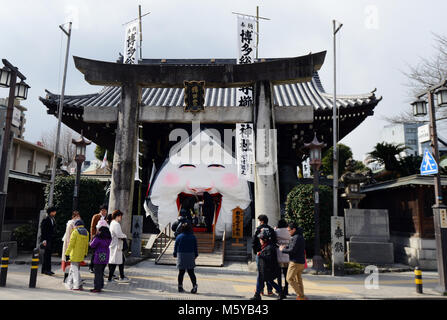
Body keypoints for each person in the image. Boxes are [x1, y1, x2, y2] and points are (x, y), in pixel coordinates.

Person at [251, 228, 285, 300]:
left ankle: (257, 295)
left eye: (260, 239)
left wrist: (260, 255)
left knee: (265, 280)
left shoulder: (269, 248)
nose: (260, 241)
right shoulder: (267, 246)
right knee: (268, 281)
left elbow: (269, 259)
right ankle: (281, 293)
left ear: (264, 240)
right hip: (266, 269)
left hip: (268, 269)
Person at [279, 222, 308, 300]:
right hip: (301, 262)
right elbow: (294, 247)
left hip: (295, 262)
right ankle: (302, 296)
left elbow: (292, 250)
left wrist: (283, 250)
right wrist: (286, 246)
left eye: (289, 230)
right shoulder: (299, 236)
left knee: (289, 278)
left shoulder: (296, 237)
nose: (288, 232)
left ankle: (301, 295)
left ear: (294, 229)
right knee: (298, 280)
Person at [252, 214, 277, 295]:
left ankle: (260, 290)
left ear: (261, 221)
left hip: (260, 253)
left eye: (259, 221)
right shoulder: (271, 229)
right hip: (269, 253)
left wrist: (255, 251)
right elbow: (274, 241)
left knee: (260, 272)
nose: (259, 222)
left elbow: (254, 241)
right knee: (268, 271)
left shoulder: (258, 229)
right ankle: (270, 290)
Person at [173, 222, 198, 294]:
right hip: (190, 255)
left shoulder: (179, 237)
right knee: (191, 272)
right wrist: (196, 255)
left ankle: (180, 287)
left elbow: (176, 246)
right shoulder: (193, 237)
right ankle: (194, 286)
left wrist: (175, 254)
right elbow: (195, 247)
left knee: (181, 272)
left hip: (181, 255)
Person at [64, 220, 89, 290]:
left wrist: (67, 253)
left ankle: (77, 286)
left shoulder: (75, 232)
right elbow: (87, 245)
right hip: (81, 254)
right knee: (74, 269)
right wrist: (85, 253)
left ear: (77, 225)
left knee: (74, 270)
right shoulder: (87, 233)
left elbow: (71, 244)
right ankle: (70, 283)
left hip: (74, 254)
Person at [89, 220, 112, 293]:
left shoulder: (98, 238)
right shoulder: (109, 238)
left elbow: (92, 245)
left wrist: (92, 239)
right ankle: (101, 285)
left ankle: (97, 288)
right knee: (101, 272)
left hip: (98, 256)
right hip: (106, 256)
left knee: (97, 273)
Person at [108, 210, 129, 283]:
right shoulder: (116, 224)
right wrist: (125, 236)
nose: (121, 218)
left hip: (115, 244)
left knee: (120, 261)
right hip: (117, 245)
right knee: (115, 262)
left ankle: (121, 276)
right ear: (118, 216)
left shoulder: (112, 223)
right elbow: (119, 234)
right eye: (120, 216)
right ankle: (110, 278)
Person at [61, 210, 81, 282]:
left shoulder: (75, 223)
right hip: (69, 244)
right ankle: (66, 278)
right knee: (68, 262)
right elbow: (68, 236)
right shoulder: (70, 224)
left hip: (73, 244)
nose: (79, 217)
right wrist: (69, 246)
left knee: (72, 263)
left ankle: (71, 278)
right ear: (74, 216)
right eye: (78, 216)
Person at [89, 205, 108, 273]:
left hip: (103, 237)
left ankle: (98, 267)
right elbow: (92, 227)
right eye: (104, 211)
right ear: (101, 210)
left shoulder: (106, 218)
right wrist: (92, 237)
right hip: (96, 236)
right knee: (94, 252)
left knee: (100, 252)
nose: (105, 212)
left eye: (106, 211)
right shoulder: (96, 216)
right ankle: (91, 266)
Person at [275, 219, 291, 296]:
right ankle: (286, 290)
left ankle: (280, 291)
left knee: (279, 275)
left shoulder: (276, 231)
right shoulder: (289, 231)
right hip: (287, 254)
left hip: (278, 254)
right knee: (286, 274)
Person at [40, 207, 57, 276]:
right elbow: (43, 230)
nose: (55, 213)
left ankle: (47, 269)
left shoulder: (52, 219)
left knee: (48, 255)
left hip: (51, 239)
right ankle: (46, 270)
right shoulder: (46, 219)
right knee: (46, 255)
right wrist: (44, 240)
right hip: (46, 239)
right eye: (54, 212)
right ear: (51, 212)